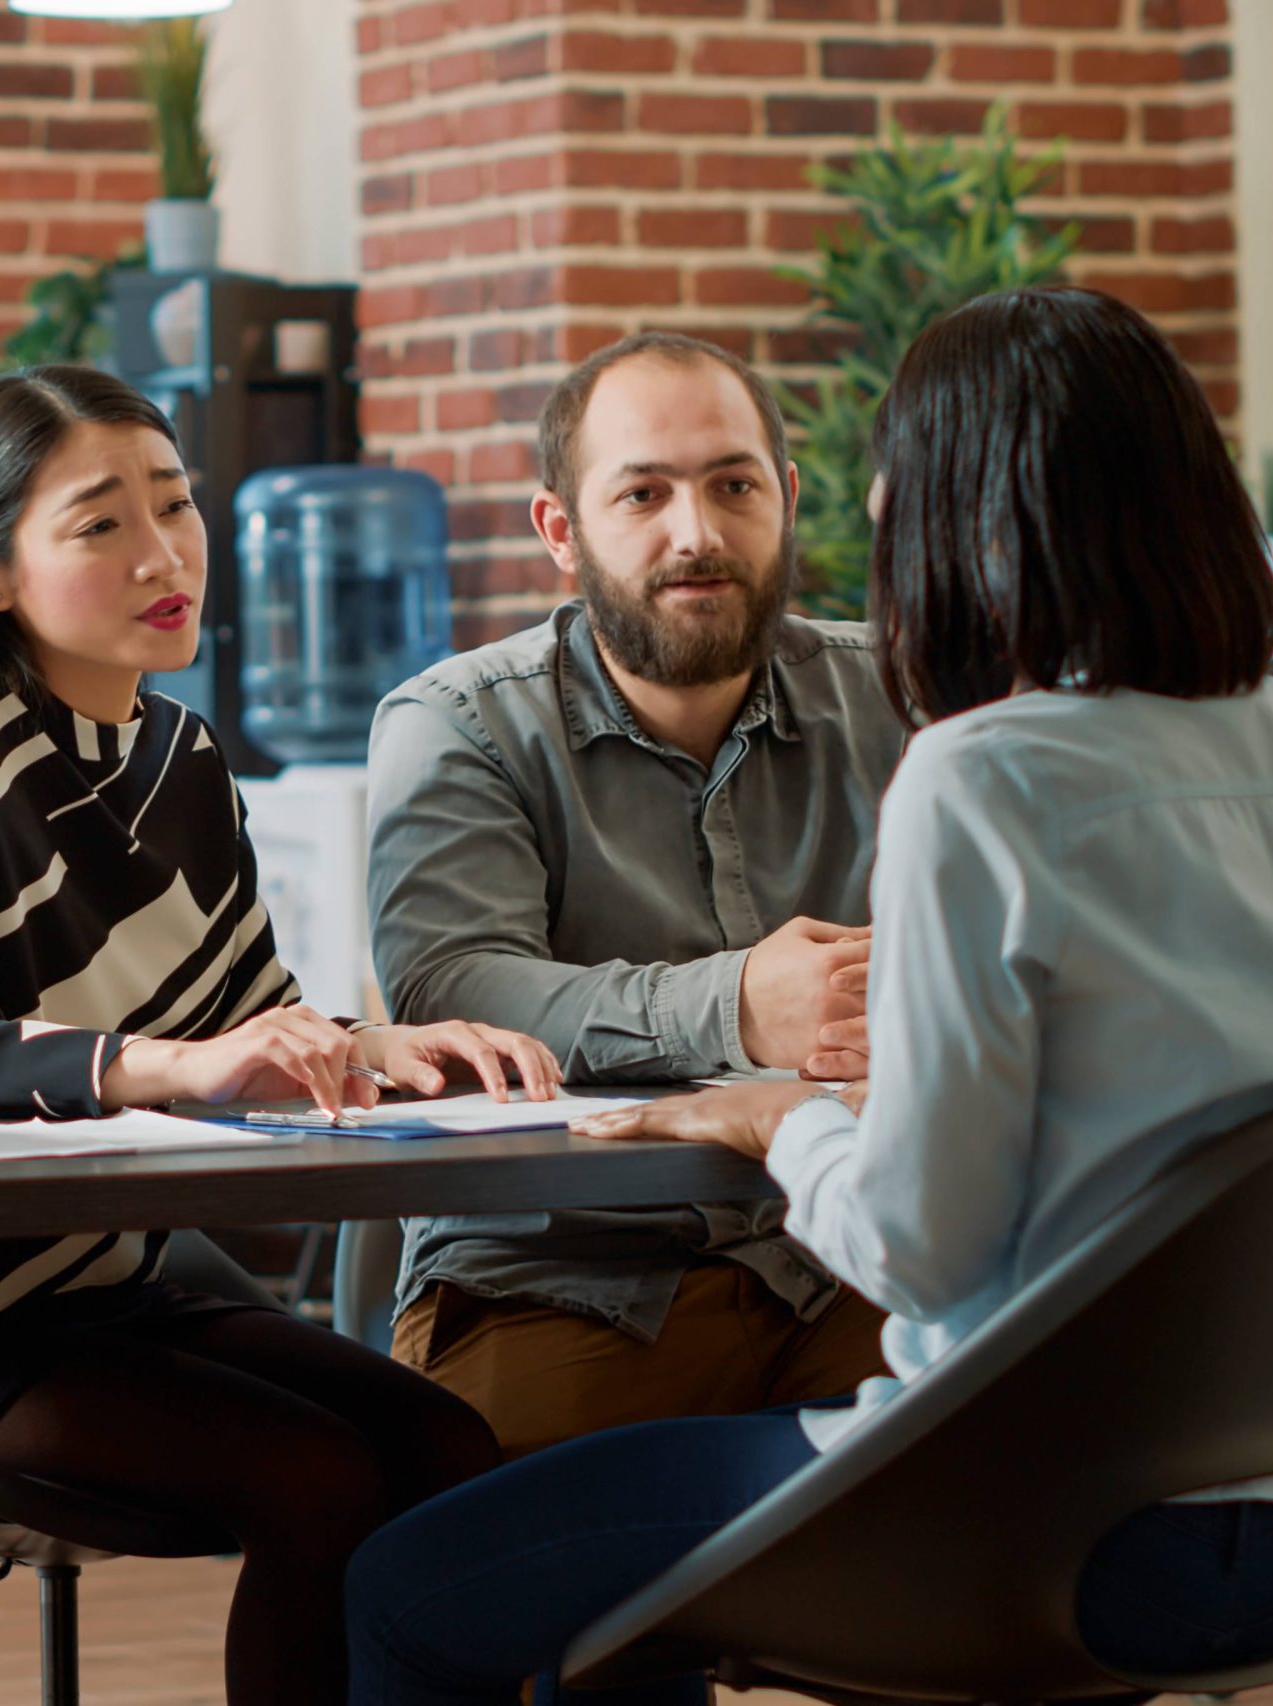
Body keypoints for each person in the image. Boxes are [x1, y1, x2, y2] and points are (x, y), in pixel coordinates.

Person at [343, 286, 1273, 1705]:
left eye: (890, 479)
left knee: (406, 1594)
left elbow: (920, 1249)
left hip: (1001, 1515)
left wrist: (770, 1124)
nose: (872, 510)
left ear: (962, 510)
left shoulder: (984, 769)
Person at [0, 364, 548, 1706]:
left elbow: (249, 1008)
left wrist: (394, 1046)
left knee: (447, 1443)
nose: (164, 553)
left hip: (112, 1278)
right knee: (315, 1478)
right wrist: (179, 1067)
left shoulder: (185, 756)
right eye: (99, 523)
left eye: (178, 506)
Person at [365, 331, 899, 1459]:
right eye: (643, 493)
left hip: (855, 1251)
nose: (695, 532)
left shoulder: (901, 695)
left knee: (1018, 1493)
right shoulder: (459, 721)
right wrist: (738, 1007)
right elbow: (453, 984)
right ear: (561, 529)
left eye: (732, 485)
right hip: (568, 1273)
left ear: (786, 500)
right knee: (467, 1580)